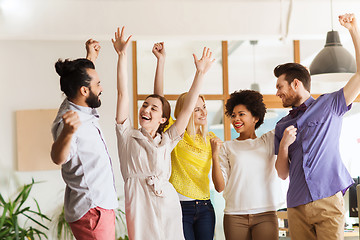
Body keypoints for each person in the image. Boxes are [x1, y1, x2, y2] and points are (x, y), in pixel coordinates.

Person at [113, 27, 214, 240]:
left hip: (167, 202)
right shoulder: (127, 135)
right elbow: (123, 94)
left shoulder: (166, 139)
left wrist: (200, 73)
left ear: (163, 120)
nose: (146, 110)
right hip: (139, 202)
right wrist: (122, 55)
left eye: (153, 108)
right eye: (144, 105)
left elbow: (186, 109)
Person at [274, 13, 360, 240]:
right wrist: (283, 146)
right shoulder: (282, 125)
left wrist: (353, 30)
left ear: (296, 83)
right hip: (296, 204)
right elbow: (282, 173)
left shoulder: (330, 104)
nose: (277, 93)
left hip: (328, 199)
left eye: (280, 86)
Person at [51, 39, 118, 239]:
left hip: (98, 205)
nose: (102, 88)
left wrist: (90, 59)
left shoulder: (77, 100)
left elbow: (81, 82)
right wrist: (68, 133)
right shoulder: (69, 122)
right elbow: (58, 157)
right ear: (84, 90)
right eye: (98, 84)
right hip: (93, 209)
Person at [152, 42, 216, 240]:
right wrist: (161, 61)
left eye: (203, 107)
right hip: (179, 206)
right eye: (196, 108)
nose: (203, 112)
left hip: (205, 206)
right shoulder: (175, 134)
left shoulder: (211, 139)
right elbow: (158, 100)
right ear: (185, 112)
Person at [210, 90, 285, 240]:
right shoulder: (226, 147)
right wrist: (214, 155)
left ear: (255, 117)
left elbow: (294, 121)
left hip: (266, 214)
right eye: (233, 115)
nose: (236, 119)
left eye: (241, 114)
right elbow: (219, 187)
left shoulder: (268, 140)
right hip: (234, 216)